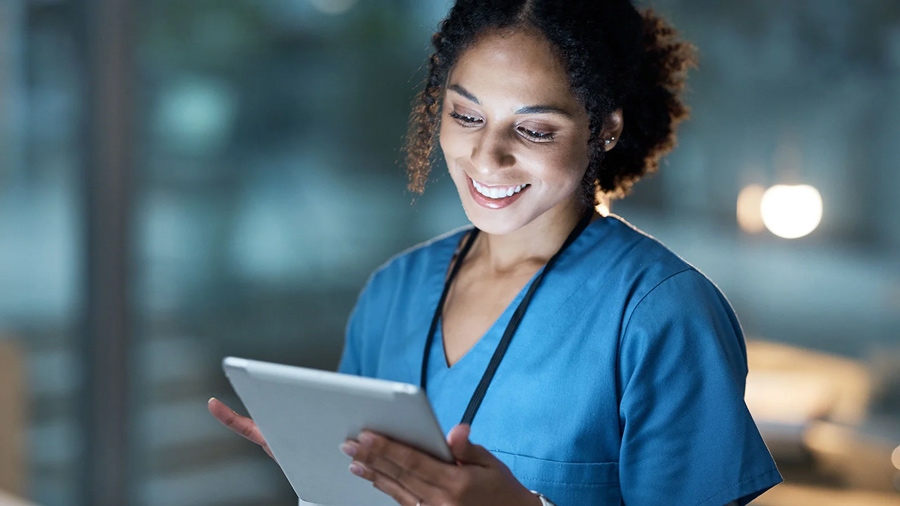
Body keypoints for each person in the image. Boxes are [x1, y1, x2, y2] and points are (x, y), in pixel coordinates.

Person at [209, 0, 783, 504]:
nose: (487, 157)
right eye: (466, 116)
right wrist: (326, 478)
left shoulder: (662, 314)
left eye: (533, 130)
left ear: (603, 130)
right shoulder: (394, 291)